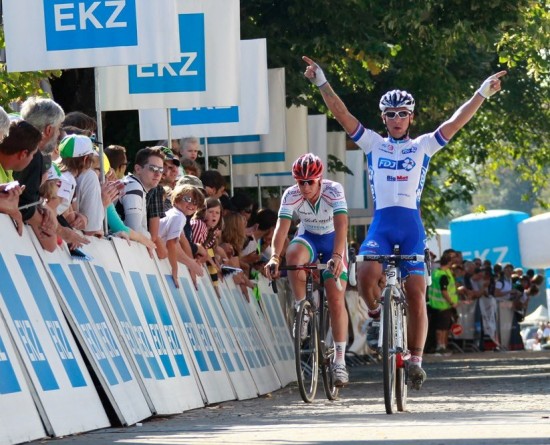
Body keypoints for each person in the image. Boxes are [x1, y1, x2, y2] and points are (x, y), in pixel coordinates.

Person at [302, 55, 506, 389]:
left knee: (415, 293)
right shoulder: (373, 143)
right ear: (383, 118)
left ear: (410, 117)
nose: (396, 119)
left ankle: (415, 360)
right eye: (390, 114)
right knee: (366, 271)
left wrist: (482, 92)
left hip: (411, 227)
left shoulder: (423, 145)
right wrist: (322, 81)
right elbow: (342, 113)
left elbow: (457, 122)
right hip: (382, 225)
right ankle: (375, 314)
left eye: (402, 114)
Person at [265, 153, 349, 387]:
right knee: (292, 255)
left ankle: (340, 360)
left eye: (309, 181)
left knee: (335, 298)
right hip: (309, 236)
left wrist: (337, 256)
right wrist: (274, 257)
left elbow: (342, 225)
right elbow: (282, 229)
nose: (304, 187)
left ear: (319, 179)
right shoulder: (291, 195)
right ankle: (302, 306)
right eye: (300, 181)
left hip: (333, 240)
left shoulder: (333, 190)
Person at [427, 249, 459, 355]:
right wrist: (451, 302)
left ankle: (442, 346)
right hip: (442, 305)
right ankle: (440, 347)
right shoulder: (443, 274)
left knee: (444, 327)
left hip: (438, 305)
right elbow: (444, 291)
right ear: (449, 262)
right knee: (441, 328)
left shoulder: (439, 272)